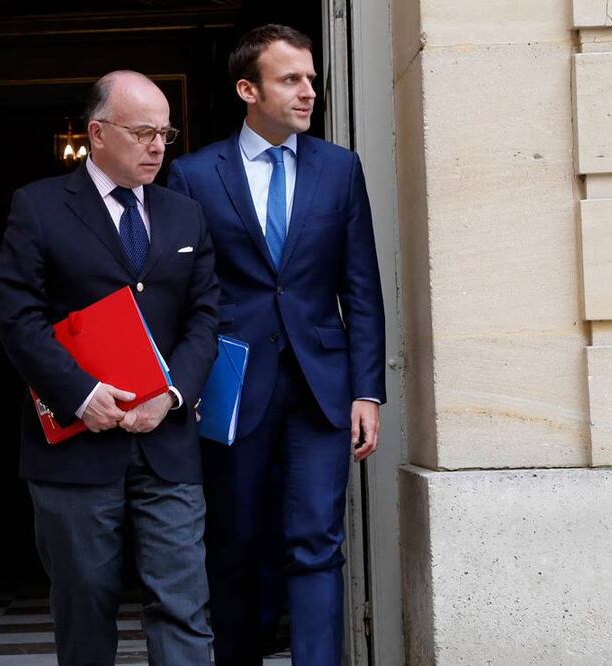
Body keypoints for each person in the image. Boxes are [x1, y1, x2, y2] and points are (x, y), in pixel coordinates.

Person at [168, 24, 387, 666]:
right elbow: (183, 295)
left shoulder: (339, 168)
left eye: (312, 79)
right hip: (231, 385)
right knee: (236, 542)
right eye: (291, 79)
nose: (308, 92)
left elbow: (362, 287)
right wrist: (188, 384)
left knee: (317, 541)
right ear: (247, 89)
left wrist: (367, 389)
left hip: (323, 386)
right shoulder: (193, 174)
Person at [0, 70, 219, 665]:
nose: (156, 146)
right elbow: (19, 319)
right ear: (96, 133)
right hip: (75, 446)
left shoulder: (185, 215)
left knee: (183, 605)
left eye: (165, 134)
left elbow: (205, 320)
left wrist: (171, 393)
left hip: (167, 442)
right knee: (84, 608)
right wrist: (80, 392)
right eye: (143, 132)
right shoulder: (39, 206)